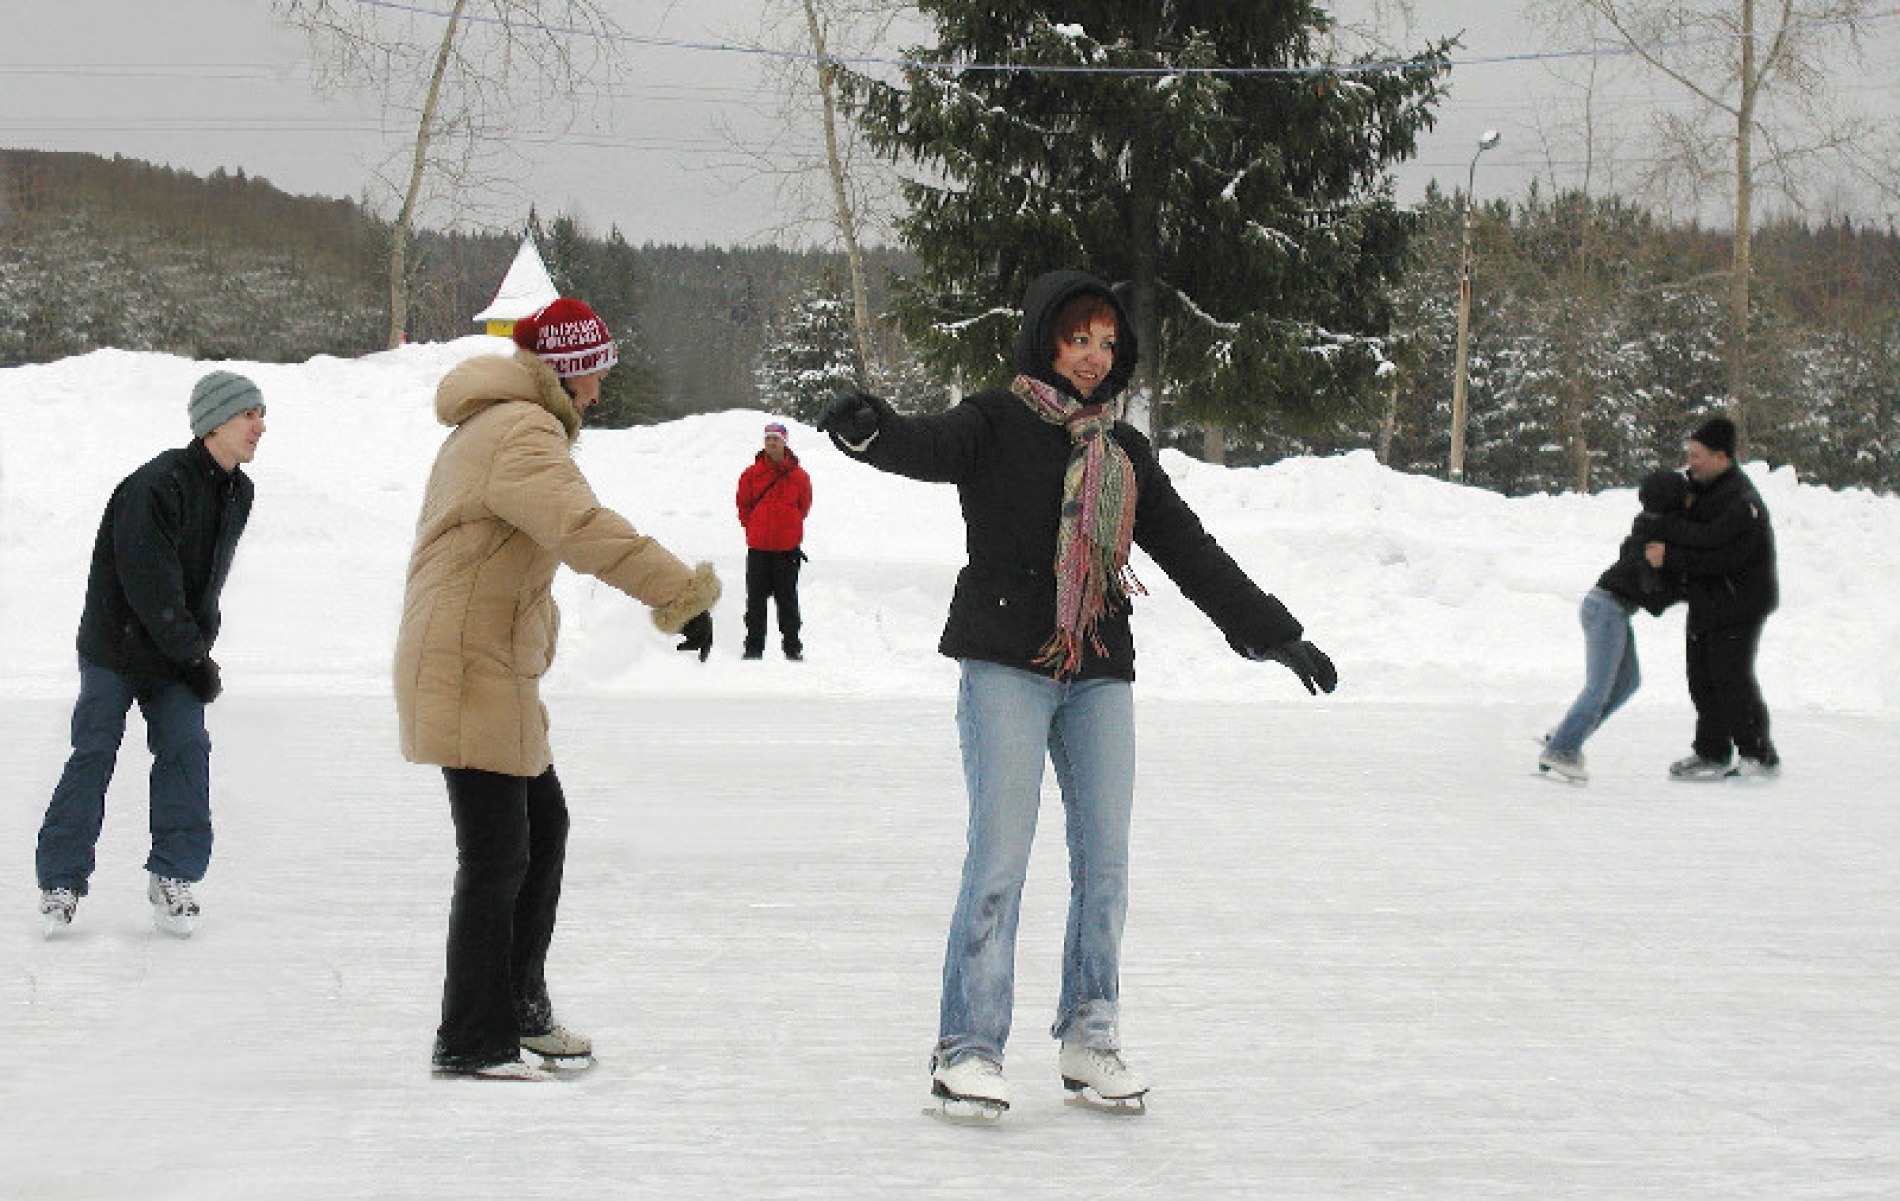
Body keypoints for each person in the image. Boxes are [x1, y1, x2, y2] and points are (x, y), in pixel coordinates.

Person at [816, 269, 1337, 1117]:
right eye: (1077, 339)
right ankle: (969, 1047)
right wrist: (874, 432)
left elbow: (1189, 549)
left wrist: (1272, 630)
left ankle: (1089, 1036)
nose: (1094, 358)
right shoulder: (994, 419)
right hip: (1005, 667)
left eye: (1106, 343)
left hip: (1097, 670)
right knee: (1000, 856)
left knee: (1106, 863)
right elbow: (925, 445)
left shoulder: (1124, 453)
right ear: (1044, 339)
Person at [393, 297, 722, 1081]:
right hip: (469, 662)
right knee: (499, 852)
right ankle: (473, 1035)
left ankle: (518, 1010)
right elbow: (582, 528)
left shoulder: (504, 424)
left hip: (486, 660)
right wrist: (679, 591)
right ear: (566, 373)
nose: (600, 395)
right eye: (595, 378)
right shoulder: (520, 432)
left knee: (540, 831)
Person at [35, 371, 267, 939]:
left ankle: (174, 876)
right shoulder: (156, 484)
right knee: (93, 751)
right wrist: (194, 658)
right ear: (215, 422)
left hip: (174, 650)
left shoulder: (238, 491)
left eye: (262, 415)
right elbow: (149, 584)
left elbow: (203, 582)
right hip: (116, 646)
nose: (261, 426)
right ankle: (61, 880)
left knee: (187, 746)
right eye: (249, 415)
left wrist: (194, 648)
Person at [1645, 415, 1781, 780]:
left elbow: (1716, 549)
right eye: (1689, 454)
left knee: (1730, 677)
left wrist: (1668, 553)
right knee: (1701, 678)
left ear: (1722, 457)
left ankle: (1758, 753)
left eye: (1698, 455)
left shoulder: (1740, 501)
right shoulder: (1705, 488)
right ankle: (1712, 751)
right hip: (1709, 599)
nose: (1691, 462)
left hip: (1740, 601)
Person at [1537, 469, 1691, 783]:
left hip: (1611, 610)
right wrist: (1687, 588)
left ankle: (1566, 734)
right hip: (1606, 608)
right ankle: (1560, 750)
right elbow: (1653, 594)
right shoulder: (1654, 536)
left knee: (1627, 682)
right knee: (1598, 688)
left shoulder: (1651, 528)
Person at [735, 420, 813, 660]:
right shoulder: (751, 474)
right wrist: (754, 528)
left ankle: (792, 648)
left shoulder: (799, 477)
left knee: (787, 601)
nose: (771, 443)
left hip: (787, 550)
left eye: (775, 439)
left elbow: (804, 507)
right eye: (768, 439)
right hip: (758, 549)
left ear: (784, 442)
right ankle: (753, 649)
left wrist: (787, 528)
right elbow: (743, 506)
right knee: (755, 602)